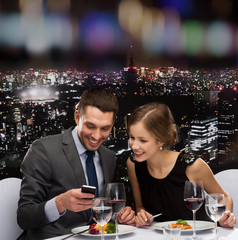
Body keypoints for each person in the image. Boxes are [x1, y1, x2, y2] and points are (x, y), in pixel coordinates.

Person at [17, 87, 135, 240]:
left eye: (105, 128)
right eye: (90, 126)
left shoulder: (108, 157)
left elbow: (102, 211)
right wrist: (59, 203)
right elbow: (24, 217)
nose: (97, 136)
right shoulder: (44, 150)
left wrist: (120, 217)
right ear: (77, 117)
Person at [126, 102, 236, 227]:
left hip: (199, 235)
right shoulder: (133, 164)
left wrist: (225, 217)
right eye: (131, 137)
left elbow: (224, 197)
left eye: (143, 140)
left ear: (161, 140)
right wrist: (142, 216)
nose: (134, 146)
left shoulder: (192, 166)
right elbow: (141, 207)